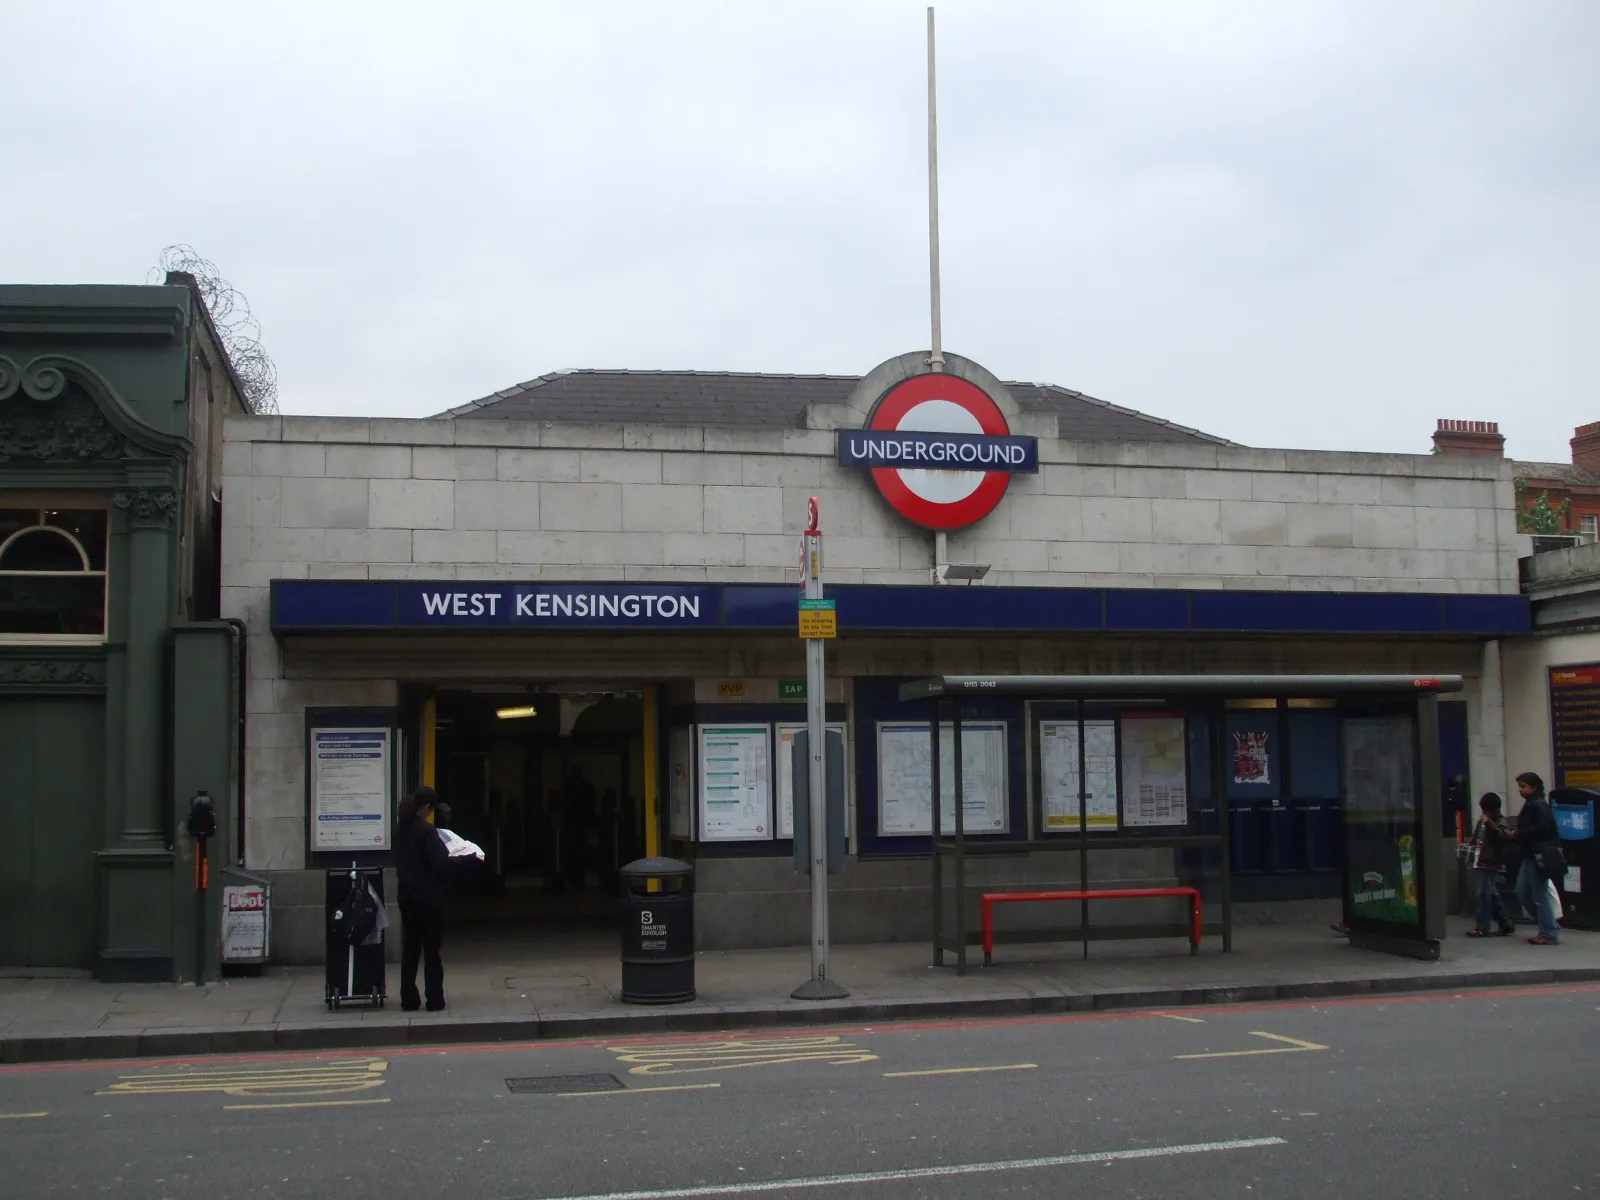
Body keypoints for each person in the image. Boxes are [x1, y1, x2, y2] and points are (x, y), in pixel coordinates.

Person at [394, 785, 450, 1010]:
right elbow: (440, 863)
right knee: (431, 952)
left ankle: (408, 998)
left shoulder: (400, 830)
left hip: (407, 898)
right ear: (426, 807)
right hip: (428, 899)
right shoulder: (427, 832)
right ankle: (434, 998)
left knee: (410, 950)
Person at [1509, 772, 1562, 945]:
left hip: (1538, 854)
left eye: (1523, 786)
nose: (1520, 790)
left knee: (1539, 895)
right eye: (1519, 786)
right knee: (1522, 891)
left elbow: (1543, 829)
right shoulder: (1532, 804)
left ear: (1534, 787)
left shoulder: (1538, 805)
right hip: (1530, 854)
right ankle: (1548, 924)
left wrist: (1519, 833)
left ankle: (1548, 931)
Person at [1463, 793, 1515, 938]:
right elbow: (1476, 839)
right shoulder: (1483, 822)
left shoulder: (1499, 822)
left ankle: (1483, 926)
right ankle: (1505, 924)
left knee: (1482, 895)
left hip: (1490, 862)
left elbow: (1503, 838)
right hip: (1481, 859)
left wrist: (1489, 823)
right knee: (1491, 894)